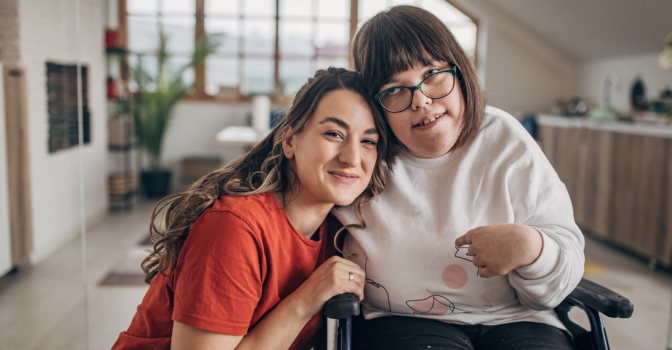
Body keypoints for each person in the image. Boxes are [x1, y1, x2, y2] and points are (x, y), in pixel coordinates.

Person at [331, 6, 585, 350]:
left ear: (459, 70)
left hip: (518, 318)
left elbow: (562, 275)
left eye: (433, 72)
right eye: (393, 89)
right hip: (402, 323)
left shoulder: (505, 138)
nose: (420, 100)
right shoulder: (363, 155)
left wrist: (532, 248)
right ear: (375, 104)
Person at [111, 67, 388, 350]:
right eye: (334, 133)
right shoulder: (233, 227)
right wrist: (306, 299)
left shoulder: (339, 230)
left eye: (368, 141)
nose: (352, 157)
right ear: (290, 141)